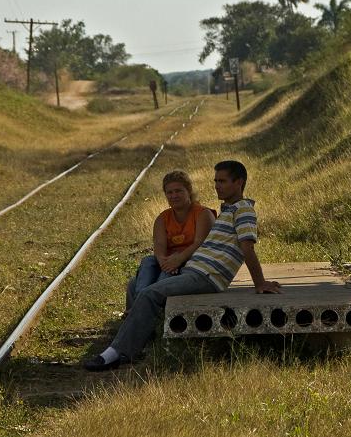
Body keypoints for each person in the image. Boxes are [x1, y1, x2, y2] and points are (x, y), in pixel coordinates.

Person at [84, 159, 280, 372]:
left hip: (206, 276)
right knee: (137, 286)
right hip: (194, 271)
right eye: (215, 181)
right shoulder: (228, 210)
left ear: (239, 182)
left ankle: (117, 353)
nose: (216, 185)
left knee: (149, 294)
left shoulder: (243, 210)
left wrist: (259, 283)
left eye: (222, 181)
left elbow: (247, 247)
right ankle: (137, 342)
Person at [128, 170, 214, 303]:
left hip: (193, 261)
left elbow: (199, 243)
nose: (174, 195)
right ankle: (141, 300)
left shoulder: (203, 214)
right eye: (170, 192)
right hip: (170, 262)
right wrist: (165, 263)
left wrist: (178, 260)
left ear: (189, 191)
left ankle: (150, 303)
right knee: (148, 261)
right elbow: (159, 246)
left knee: (166, 273)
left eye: (179, 191)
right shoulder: (162, 218)